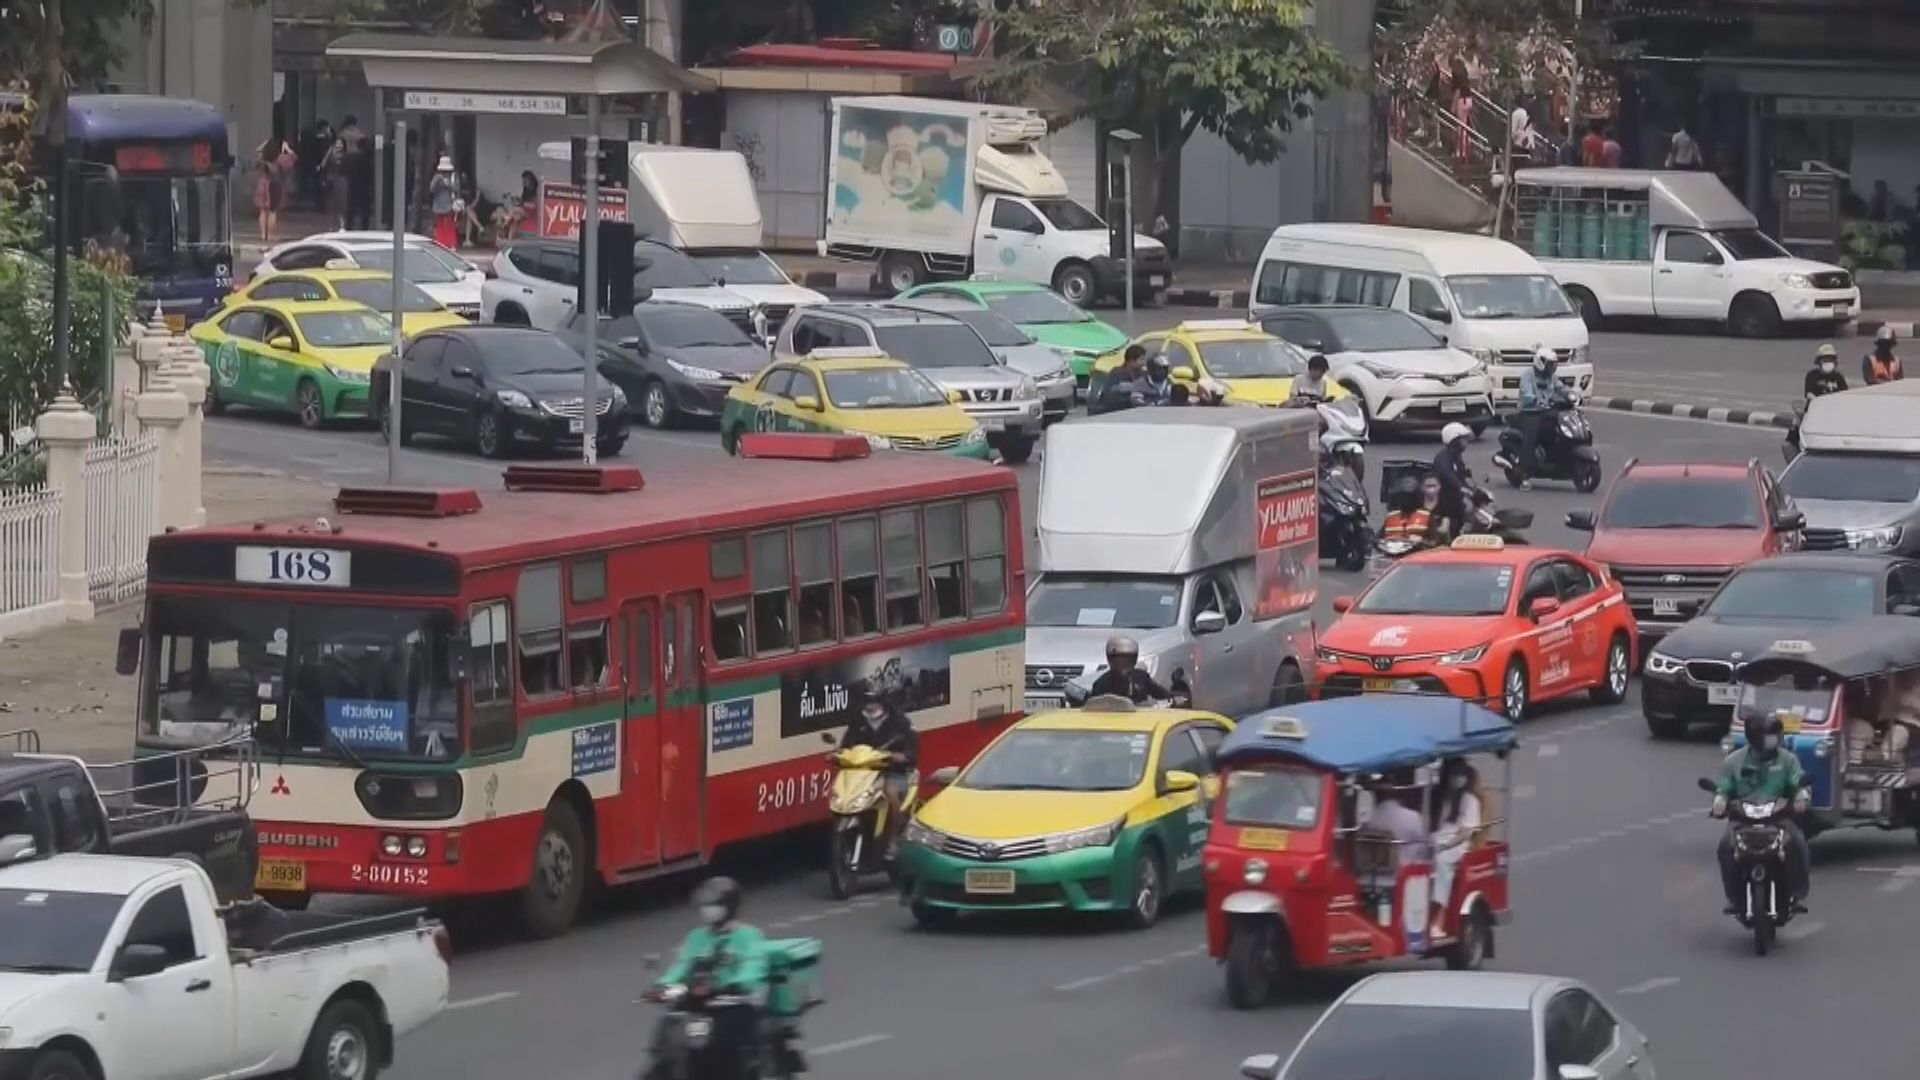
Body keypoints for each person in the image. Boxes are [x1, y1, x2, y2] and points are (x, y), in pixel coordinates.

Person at [647, 877, 769, 1076]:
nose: (707, 909)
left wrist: (737, 984)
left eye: (713, 905)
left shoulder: (748, 936)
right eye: (705, 905)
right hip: (699, 1003)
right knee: (669, 1038)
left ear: (729, 906)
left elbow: (753, 965)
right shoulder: (697, 937)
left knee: (724, 1050)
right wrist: (663, 985)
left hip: (734, 1004)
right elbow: (682, 965)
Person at [1711, 712, 1811, 913]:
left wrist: (1801, 797)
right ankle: (1734, 896)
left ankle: (1797, 892)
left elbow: (1798, 784)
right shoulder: (1734, 761)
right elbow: (1723, 787)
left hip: (1779, 818)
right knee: (1725, 847)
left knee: (1797, 843)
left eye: (1776, 734)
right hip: (1743, 819)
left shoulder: (1788, 760)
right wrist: (1720, 801)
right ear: (1755, 738)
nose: (1775, 739)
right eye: (1770, 735)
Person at [838, 698, 919, 853]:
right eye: (866, 700)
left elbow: (911, 751)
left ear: (883, 702)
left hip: (894, 772)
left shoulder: (901, 722)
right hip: (864, 773)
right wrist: (838, 754)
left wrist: (901, 756)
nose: (869, 704)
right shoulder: (858, 721)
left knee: (890, 792)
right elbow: (846, 745)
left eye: (873, 701)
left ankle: (893, 840)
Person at [1429, 757, 1484, 933]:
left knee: (1441, 862)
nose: (1457, 779)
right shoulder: (1442, 798)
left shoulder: (1471, 801)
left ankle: (1438, 920)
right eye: (1453, 775)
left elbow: (1466, 832)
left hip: (1456, 846)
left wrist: (1447, 846)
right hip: (1436, 840)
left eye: (1460, 775)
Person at [1512, 347, 1573, 489]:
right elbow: (1526, 393)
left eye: (1554, 364)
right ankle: (1524, 474)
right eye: (1550, 364)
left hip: (1547, 411)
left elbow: (1561, 388)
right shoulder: (1528, 375)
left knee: (1562, 428)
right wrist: (1536, 400)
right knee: (1531, 438)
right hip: (1530, 412)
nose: (1552, 367)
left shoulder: (1551, 377)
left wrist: (1571, 395)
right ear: (1541, 362)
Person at [1361, 771, 1430, 864]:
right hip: (1406, 868)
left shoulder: (1367, 820)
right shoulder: (1414, 817)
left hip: (1373, 869)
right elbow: (1423, 848)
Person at [1088, 634, 1172, 704]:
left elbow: (1163, 696)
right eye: (1119, 660)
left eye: (1127, 660)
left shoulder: (1142, 678)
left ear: (1134, 659)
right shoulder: (1101, 684)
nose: (1123, 664)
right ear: (1110, 659)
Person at [1433, 421, 1476, 528]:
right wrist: (1461, 487)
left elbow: (1464, 474)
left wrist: (1472, 485)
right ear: (1455, 440)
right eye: (1464, 439)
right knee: (1468, 507)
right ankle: (1461, 532)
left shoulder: (1456, 456)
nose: (1466, 442)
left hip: (1453, 493)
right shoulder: (1444, 457)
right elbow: (1447, 474)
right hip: (1445, 496)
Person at [430, 155, 459, 250]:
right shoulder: (436, 177)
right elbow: (431, 189)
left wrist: (448, 185)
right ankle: (440, 243)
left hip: (449, 205)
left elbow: (457, 189)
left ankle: (451, 244)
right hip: (438, 205)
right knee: (439, 226)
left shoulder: (453, 176)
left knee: (450, 226)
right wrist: (436, 181)